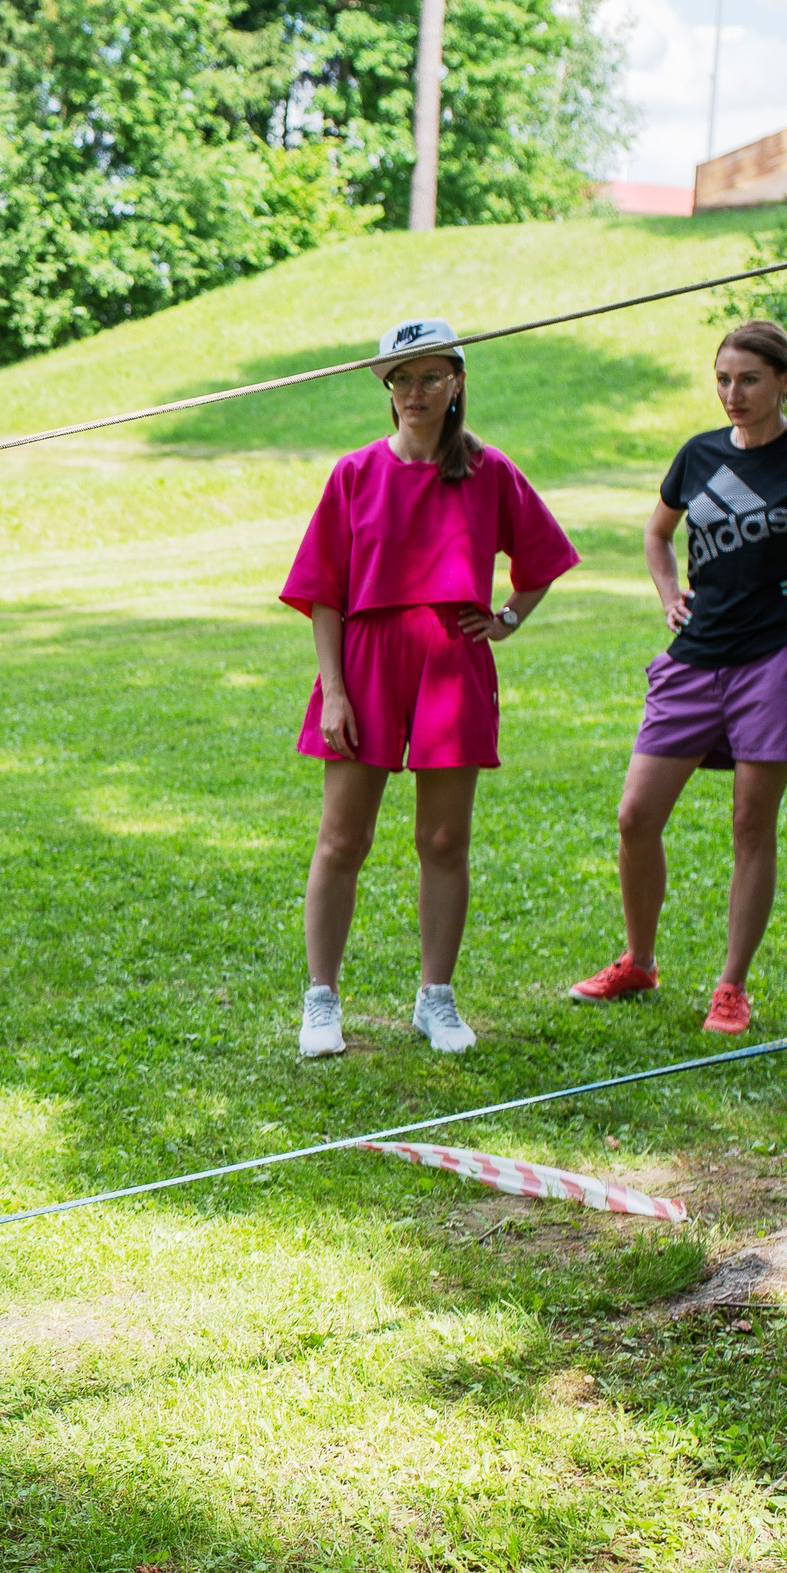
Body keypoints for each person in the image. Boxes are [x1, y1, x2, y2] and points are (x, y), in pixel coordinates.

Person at [283, 319, 579, 1059]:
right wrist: (336, 691)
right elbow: (322, 591)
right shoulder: (355, 473)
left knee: (444, 839)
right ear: (387, 390)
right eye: (400, 379)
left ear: (457, 383)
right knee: (342, 837)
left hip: (452, 659)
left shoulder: (489, 471)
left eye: (430, 377)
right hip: (367, 659)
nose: (415, 393)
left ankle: (434, 998)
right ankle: (322, 1000)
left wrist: (508, 617)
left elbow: (540, 558)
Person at [568, 320, 787, 1034]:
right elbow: (658, 532)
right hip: (696, 655)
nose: (733, 393)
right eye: (723, 379)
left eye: (750, 379)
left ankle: (731, 986)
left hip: (779, 657)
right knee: (636, 815)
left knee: (751, 824)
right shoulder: (698, 455)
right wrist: (669, 594)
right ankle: (638, 961)